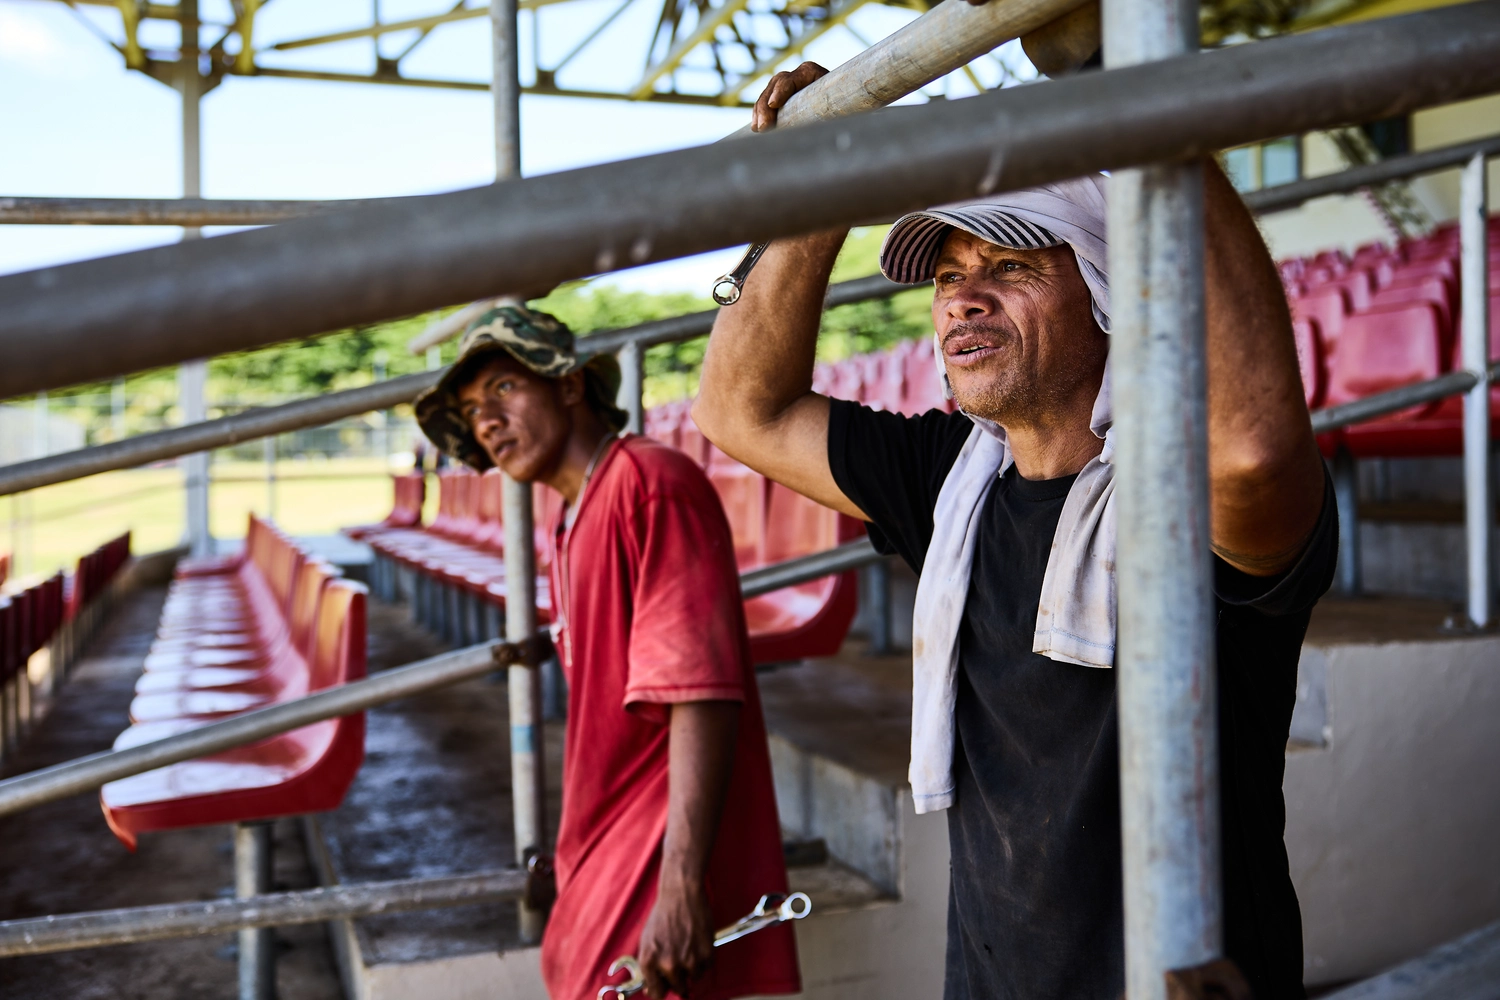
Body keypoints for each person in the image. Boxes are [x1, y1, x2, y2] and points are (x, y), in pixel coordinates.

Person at [693, 63, 1337, 999]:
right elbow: (738, 408)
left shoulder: (1181, 498)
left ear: (1112, 294)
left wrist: (1114, 82)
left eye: (1012, 267)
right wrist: (819, 191)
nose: (962, 298)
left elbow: (1253, 456)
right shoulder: (953, 479)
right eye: (950, 276)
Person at [415, 306, 800, 1000]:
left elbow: (700, 691)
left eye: (503, 389)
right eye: (472, 410)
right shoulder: (571, 515)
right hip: (601, 842)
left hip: (652, 851)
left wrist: (680, 885)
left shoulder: (649, 485)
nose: (487, 422)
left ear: (567, 385)